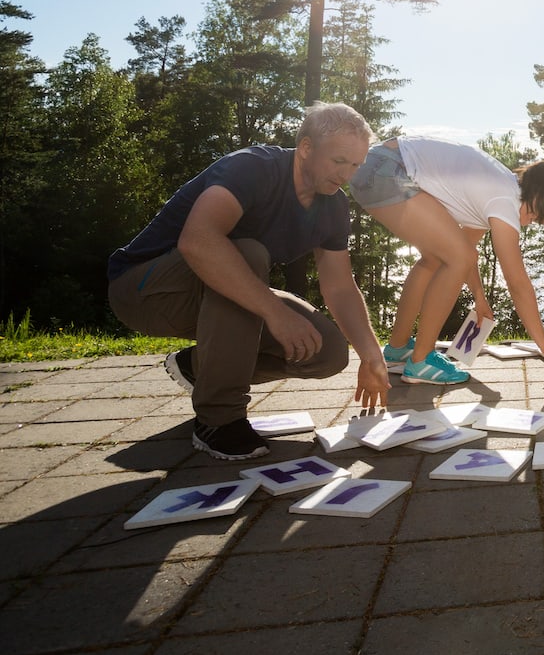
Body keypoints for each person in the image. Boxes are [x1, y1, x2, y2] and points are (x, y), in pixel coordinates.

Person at [107, 102, 390, 461]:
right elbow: (199, 240)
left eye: (356, 165)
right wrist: (275, 311)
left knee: (328, 352)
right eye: (339, 161)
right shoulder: (253, 168)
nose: (346, 174)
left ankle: (198, 367)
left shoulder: (332, 206)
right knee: (248, 254)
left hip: (218, 297)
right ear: (306, 148)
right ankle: (218, 419)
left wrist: (371, 354)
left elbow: (339, 287)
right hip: (144, 290)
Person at [348, 137, 544, 384]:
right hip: (388, 170)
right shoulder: (505, 200)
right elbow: (517, 283)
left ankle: (398, 349)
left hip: (375, 166)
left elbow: (463, 251)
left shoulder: (498, 193)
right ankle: (420, 360)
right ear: (536, 195)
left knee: (435, 259)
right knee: (452, 257)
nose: (540, 220)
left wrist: (479, 298)